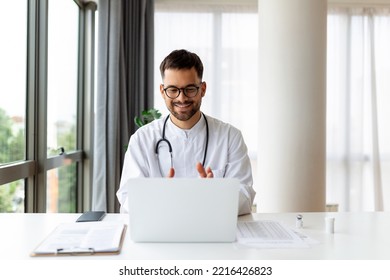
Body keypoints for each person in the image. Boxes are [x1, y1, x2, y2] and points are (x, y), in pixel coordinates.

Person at [116, 49, 255, 215]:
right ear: (162, 91)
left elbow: (245, 196)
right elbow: (127, 197)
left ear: (202, 89)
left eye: (190, 89)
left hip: (212, 232)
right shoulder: (142, 139)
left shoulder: (230, 137)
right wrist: (161, 197)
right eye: (173, 90)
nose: (181, 98)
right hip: (160, 232)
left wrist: (214, 195)